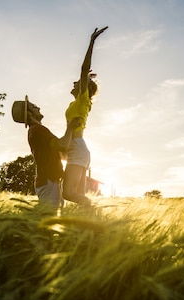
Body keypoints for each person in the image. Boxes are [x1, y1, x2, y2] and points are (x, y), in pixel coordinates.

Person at [63, 26, 108, 208]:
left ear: (85, 87)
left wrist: (91, 42)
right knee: (78, 196)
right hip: (78, 148)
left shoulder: (83, 100)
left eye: (80, 82)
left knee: (68, 193)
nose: (75, 82)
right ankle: (90, 227)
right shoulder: (77, 104)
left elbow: (83, 70)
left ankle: (94, 212)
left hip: (77, 148)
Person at [12, 96, 78, 212]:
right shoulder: (38, 130)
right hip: (48, 181)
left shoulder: (37, 130)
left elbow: (61, 153)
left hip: (51, 180)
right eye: (33, 107)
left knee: (52, 218)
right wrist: (70, 127)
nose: (38, 107)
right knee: (48, 218)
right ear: (29, 113)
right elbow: (62, 145)